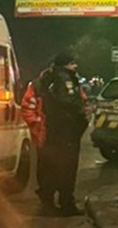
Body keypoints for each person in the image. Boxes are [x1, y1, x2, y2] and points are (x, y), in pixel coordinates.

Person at [38, 53, 88, 215]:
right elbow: (68, 101)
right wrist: (80, 114)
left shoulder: (50, 77)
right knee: (67, 168)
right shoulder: (64, 79)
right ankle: (67, 204)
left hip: (55, 129)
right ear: (65, 65)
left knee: (52, 166)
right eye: (72, 63)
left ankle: (48, 201)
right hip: (66, 130)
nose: (75, 66)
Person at [20, 68, 48, 204]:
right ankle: (47, 194)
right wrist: (37, 124)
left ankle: (51, 194)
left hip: (57, 133)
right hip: (46, 134)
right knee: (46, 164)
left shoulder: (72, 82)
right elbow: (27, 109)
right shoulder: (38, 86)